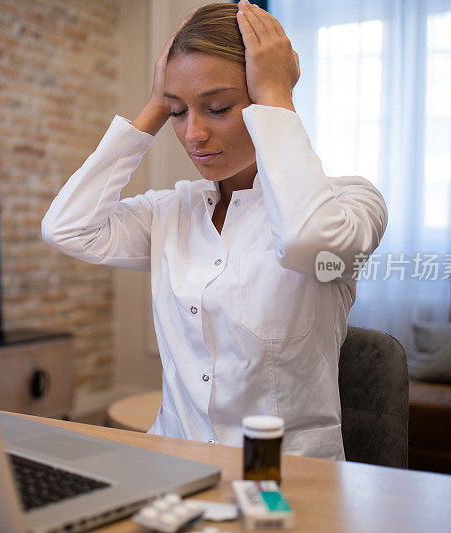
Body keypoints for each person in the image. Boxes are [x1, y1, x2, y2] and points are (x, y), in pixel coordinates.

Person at [41, 0, 387, 460]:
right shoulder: (172, 211)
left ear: (266, 100)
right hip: (174, 466)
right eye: (178, 112)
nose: (192, 135)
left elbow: (308, 242)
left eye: (218, 107)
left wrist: (278, 97)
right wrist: (152, 107)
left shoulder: (349, 203)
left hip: (287, 481)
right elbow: (67, 228)